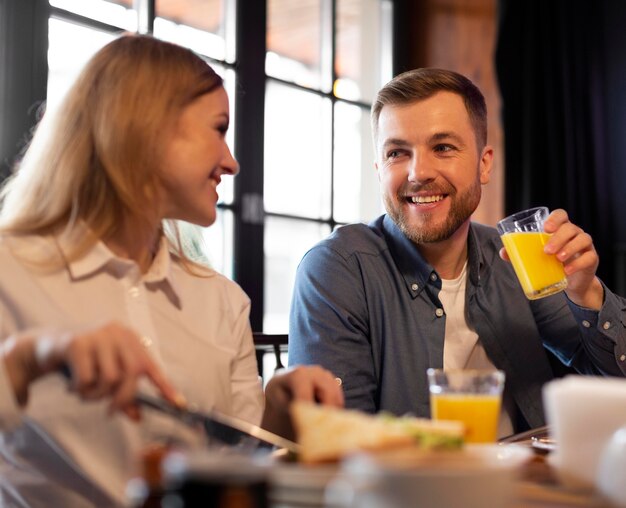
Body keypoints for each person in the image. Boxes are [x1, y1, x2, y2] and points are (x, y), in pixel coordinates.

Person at [0, 35, 343, 508]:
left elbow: (241, 465)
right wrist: (27, 359)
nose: (232, 162)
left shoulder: (222, 300)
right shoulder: (8, 269)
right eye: (219, 129)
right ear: (146, 128)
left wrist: (281, 418)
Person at [289, 67, 626, 437]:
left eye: (443, 148)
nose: (418, 172)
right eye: (397, 152)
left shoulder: (513, 259)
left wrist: (587, 294)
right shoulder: (338, 269)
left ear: (484, 164)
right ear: (379, 169)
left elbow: (615, 378)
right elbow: (335, 441)